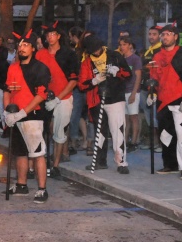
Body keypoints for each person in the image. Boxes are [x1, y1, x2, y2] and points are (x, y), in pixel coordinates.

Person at [2, 30, 51, 203]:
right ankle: (21, 185)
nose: (21, 48)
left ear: (32, 49)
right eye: (19, 45)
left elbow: (41, 95)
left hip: (33, 116)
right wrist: (7, 111)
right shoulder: (12, 67)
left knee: (37, 153)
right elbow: (7, 90)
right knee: (20, 153)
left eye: (25, 45)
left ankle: (42, 189)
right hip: (15, 116)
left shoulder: (40, 69)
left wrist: (24, 112)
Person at [148, 24, 182, 179]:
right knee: (165, 135)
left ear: (175, 36)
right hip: (163, 100)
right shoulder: (156, 55)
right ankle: (170, 165)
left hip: (180, 99)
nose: (165, 37)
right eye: (163, 34)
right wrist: (152, 93)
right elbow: (153, 77)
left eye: (168, 34)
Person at [78, 35, 132, 174]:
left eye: (97, 49)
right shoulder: (87, 63)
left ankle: (121, 162)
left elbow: (129, 75)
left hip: (115, 98)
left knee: (117, 131)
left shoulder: (115, 56)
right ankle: (100, 161)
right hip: (96, 100)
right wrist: (94, 81)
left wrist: (118, 72)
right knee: (99, 133)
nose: (96, 52)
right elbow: (81, 86)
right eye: (92, 51)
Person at [36, 22, 79, 179]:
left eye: (53, 34)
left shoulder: (68, 54)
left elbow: (73, 80)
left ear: (59, 36)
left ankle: (55, 166)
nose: (50, 37)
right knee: (41, 129)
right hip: (44, 97)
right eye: (47, 35)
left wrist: (58, 99)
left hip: (64, 98)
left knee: (60, 132)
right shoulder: (40, 54)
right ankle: (40, 163)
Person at [139, 26, 162, 150]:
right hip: (144, 86)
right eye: (149, 34)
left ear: (159, 36)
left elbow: (153, 67)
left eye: (154, 34)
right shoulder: (149, 50)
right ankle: (152, 142)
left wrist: (145, 66)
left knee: (155, 116)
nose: (151, 36)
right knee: (148, 116)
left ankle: (160, 143)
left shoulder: (160, 50)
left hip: (154, 89)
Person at [118, 37, 142, 151]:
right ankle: (125, 140)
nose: (122, 47)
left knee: (134, 116)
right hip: (123, 91)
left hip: (132, 90)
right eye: (121, 45)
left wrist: (134, 93)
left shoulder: (135, 59)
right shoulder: (121, 59)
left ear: (129, 45)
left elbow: (138, 76)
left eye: (124, 44)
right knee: (125, 118)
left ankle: (134, 142)